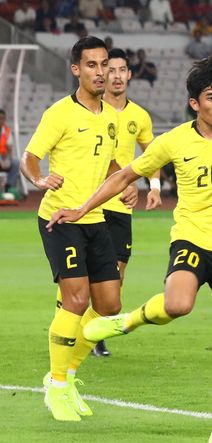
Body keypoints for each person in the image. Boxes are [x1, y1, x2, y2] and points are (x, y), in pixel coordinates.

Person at [48, 57, 212, 443]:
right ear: (195, 103)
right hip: (191, 240)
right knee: (178, 305)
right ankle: (126, 321)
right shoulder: (174, 141)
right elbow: (125, 176)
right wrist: (81, 209)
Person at [19, 36, 133, 422]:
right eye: (92, 66)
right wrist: (39, 181)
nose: (100, 73)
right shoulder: (59, 114)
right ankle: (57, 383)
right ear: (76, 69)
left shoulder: (113, 118)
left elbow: (113, 165)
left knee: (109, 308)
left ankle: (64, 374)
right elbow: (29, 158)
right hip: (60, 218)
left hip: (96, 218)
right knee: (76, 300)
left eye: (104, 65)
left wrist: (128, 183)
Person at [88, 47, 161, 357]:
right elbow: (102, 157)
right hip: (92, 202)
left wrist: (154, 185)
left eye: (122, 70)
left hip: (122, 207)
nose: (116, 76)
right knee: (87, 272)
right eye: (111, 70)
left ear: (130, 75)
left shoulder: (139, 116)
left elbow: (153, 152)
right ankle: (78, 328)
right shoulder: (91, 110)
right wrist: (126, 182)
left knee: (116, 273)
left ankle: (98, 330)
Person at [0, 109, 20, 195]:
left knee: (16, 162)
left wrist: (7, 159)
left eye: (2, 118)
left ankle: (9, 186)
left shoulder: (7, 131)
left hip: (4, 156)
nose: (1, 120)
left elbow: (10, 147)